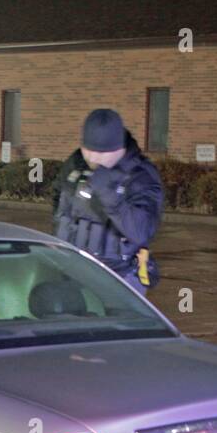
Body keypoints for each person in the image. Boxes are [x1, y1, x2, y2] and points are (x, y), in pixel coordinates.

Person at [51, 108, 164, 296]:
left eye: (101, 153)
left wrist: (108, 192)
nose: (93, 158)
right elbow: (59, 201)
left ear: (119, 149)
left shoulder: (141, 175)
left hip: (120, 278)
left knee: (118, 325)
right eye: (88, 150)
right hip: (72, 270)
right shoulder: (76, 163)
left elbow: (141, 231)